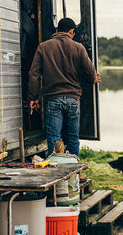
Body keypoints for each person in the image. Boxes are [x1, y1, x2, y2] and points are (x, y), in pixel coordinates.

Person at [28, 17, 100, 156]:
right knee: (73, 137)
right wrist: (93, 79)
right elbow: (90, 73)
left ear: (57, 30)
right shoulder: (79, 47)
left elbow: (34, 74)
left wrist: (33, 98)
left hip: (53, 100)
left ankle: (56, 170)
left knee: (54, 139)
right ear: (72, 31)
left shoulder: (43, 47)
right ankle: (73, 173)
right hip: (73, 100)